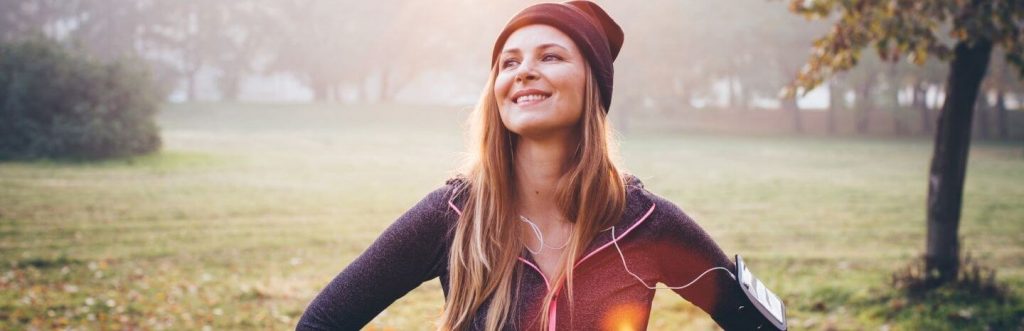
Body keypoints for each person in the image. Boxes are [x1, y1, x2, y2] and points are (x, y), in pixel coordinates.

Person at [297, 1, 776, 330]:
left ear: (593, 87)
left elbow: (757, 322)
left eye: (551, 56)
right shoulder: (453, 215)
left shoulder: (645, 223)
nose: (524, 71)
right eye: (508, 63)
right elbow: (321, 322)